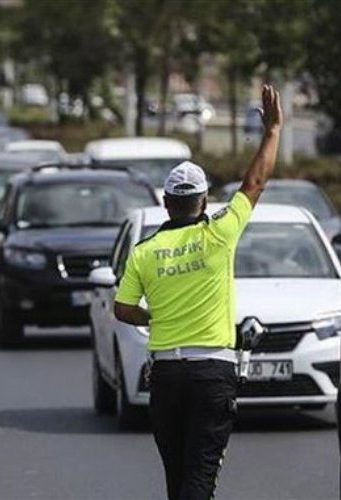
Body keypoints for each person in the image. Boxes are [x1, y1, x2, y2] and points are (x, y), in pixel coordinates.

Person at [113, 84, 283, 499]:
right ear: (204, 201)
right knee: (200, 477)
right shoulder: (220, 234)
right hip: (212, 374)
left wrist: (156, 317)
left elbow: (121, 308)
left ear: (167, 203)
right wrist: (273, 131)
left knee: (178, 476)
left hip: (167, 375)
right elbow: (255, 182)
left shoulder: (145, 251)